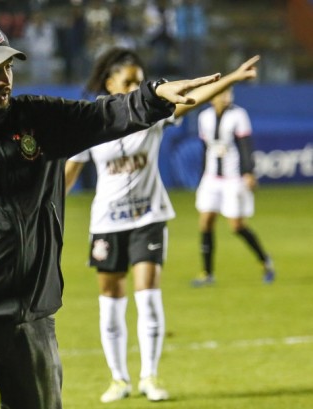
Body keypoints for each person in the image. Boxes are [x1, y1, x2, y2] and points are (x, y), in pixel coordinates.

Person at [0, 20, 220, 409]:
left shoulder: (38, 119)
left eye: (8, 67)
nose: (5, 79)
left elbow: (104, 116)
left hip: (34, 316)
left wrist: (154, 96)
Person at [64, 49, 260, 403]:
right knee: (110, 300)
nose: (139, 86)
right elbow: (69, 174)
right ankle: (118, 378)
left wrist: (230, 78)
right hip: (107, 222)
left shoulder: (153, 113)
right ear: (110, 84)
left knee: (149, 295)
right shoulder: (90, 120)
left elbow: (192, 99)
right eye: (130, 81)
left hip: (149, 217)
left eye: (141, 80)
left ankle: (150, 376)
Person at [192, 87, 275, 286]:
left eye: (227, 93)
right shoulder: (204, 117)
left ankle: (265, 260)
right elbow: (205, 148)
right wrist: (202, 174)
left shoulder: (239, 115)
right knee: (205, 222)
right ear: (211, 96)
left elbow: (246, 144)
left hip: (233, 178)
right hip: (211, 177)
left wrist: (249, 172)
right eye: (220, 93)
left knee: (237, 226)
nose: (225, 97)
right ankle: (207, 273)